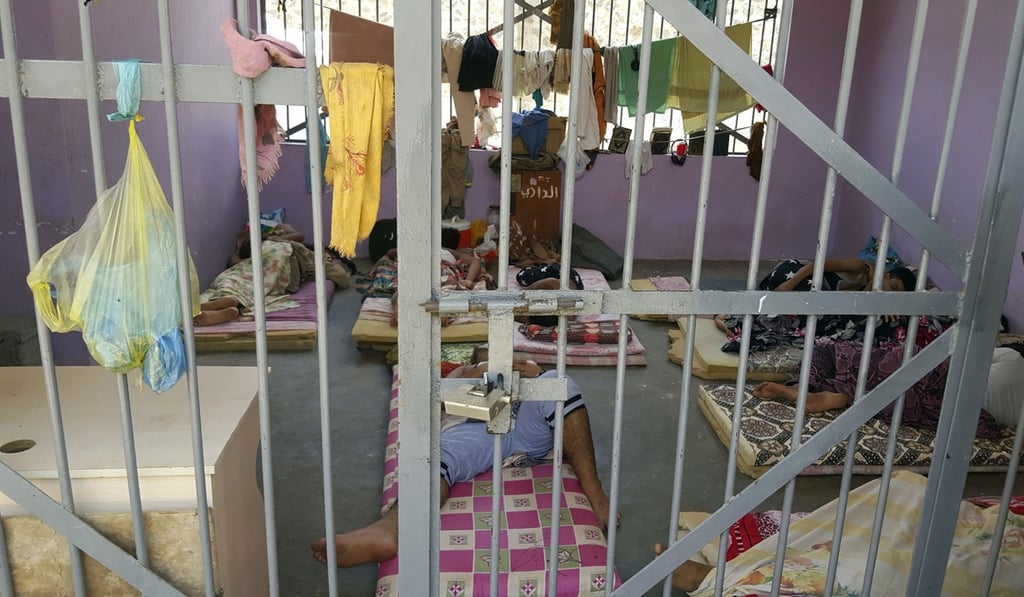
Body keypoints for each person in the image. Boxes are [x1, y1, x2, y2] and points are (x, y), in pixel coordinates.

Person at [310, 356, 613, 567]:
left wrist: (524, 373)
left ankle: (595, 492)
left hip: (522, 416)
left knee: (559, 383)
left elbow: (538, 381)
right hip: (473, 420)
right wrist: (470, 373)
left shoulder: (530, 369)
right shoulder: (467, 371)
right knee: (437, 461)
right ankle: (387, 529)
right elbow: (436, 397)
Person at [749, 338, 1001, 438]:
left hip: (880, 364)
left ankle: (812, 390)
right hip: (896, 385)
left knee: (879, 366)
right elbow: (987, 428)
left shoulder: (828, 351)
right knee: (886, 390)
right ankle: (835, 394)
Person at [194, 237, 351, 327]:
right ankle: (232, 304)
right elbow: (341, 276)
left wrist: (239, 246)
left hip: (252, 265)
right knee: (261, 284)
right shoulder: (291, 246)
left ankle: (225, 299)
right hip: (280, 260)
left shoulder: (259, 251)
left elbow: (232, 261)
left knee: (237, 278)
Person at [757, 258, 917, 292]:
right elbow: (817, 264)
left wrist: (871, 285)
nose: (890, 292)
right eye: (893, 287)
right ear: (887, 276)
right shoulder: (860, 267)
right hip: (799, 273)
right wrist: (790, 283)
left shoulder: (869, 289)